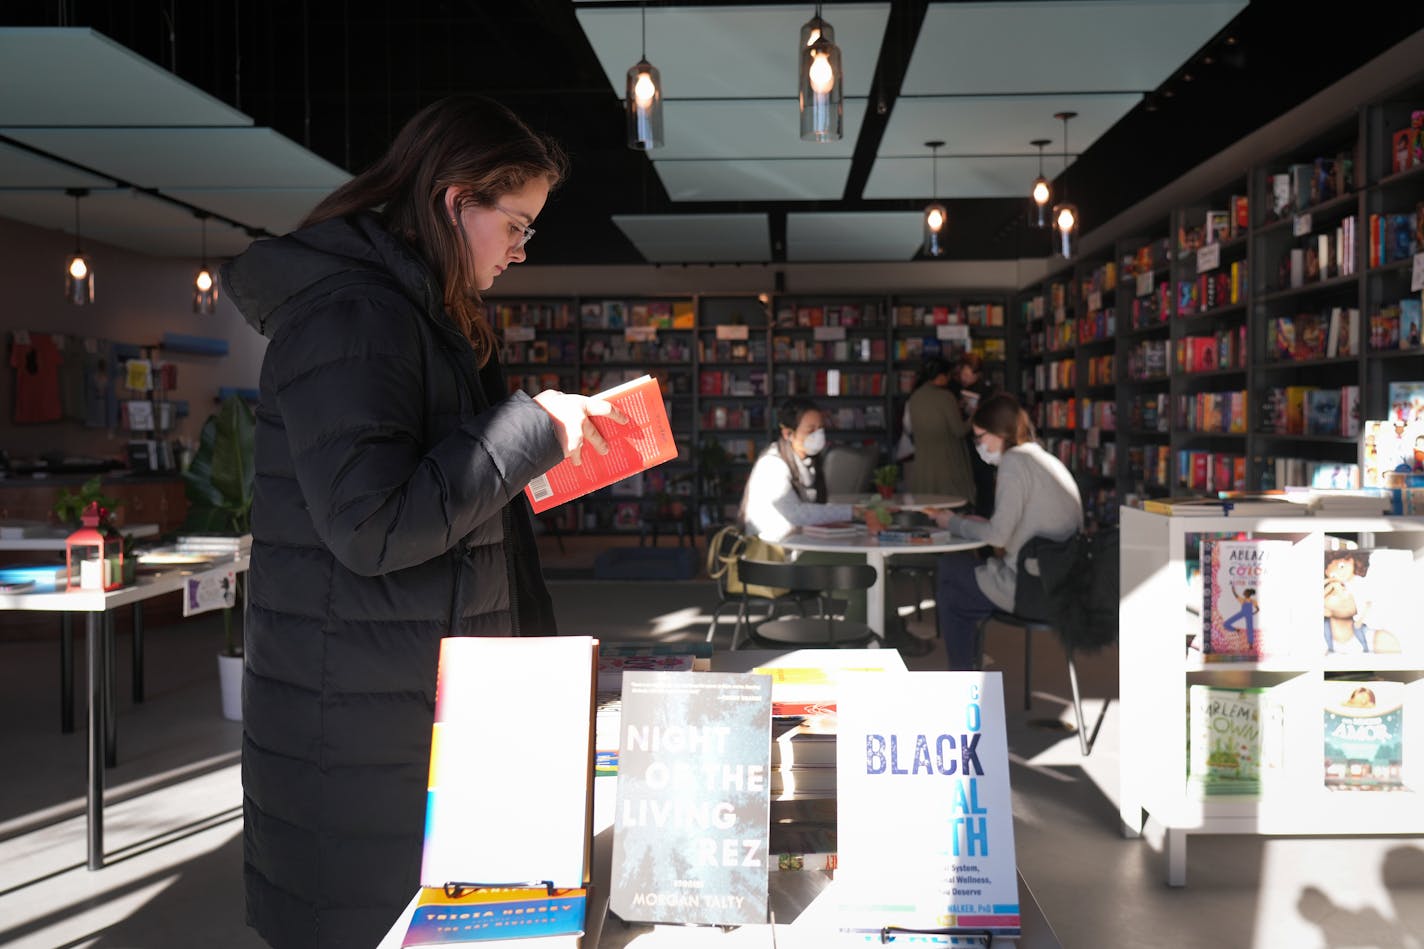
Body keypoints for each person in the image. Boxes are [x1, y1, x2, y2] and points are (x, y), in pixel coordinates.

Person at [221, 95, 627, 949]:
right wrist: (530, 430)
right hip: (368, 736)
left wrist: (540, 455)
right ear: (454, 202)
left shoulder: (414, 313)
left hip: (400, 705)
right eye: (515, 224)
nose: (521, 248)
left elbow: (430, 488)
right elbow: (372, 523)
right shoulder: (356, 315)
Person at [928, 394, 1082, 670]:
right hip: (1062, 584)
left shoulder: (1013, 463)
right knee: (961, 580)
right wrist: (980, 525)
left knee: (951, 576)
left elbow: (998, 537)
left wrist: (951, 521)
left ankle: (963, 681)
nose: (979, 446)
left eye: (980, 437)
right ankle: (967, 674)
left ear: (1000, 433)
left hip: (1030, 587)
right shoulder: (1045, 459)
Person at [738, 396, 857, 542]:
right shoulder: (772, 464)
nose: (818, 435)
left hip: (795, 545)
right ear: (788, 434)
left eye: (820, 429)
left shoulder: (809, 461)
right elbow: (795, 514)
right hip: (769, 553)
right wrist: (852, 511)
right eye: (810, 430)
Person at [904, 355, 975, 503]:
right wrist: (974, 416)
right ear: (942, 376)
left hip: (924, 462)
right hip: (947, 463)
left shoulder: (915, 396)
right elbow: (959, 430)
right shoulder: (946, 397)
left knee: (927, 505)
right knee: (949, 505)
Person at [952, 351, 998, 516]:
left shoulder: (987, 391)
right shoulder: (955, 389)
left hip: (980, 441)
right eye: (962, 373)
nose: (964, 378)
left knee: (983, 480)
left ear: (977, 374)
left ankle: (983, 514)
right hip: (964, 439)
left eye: (968, 374)